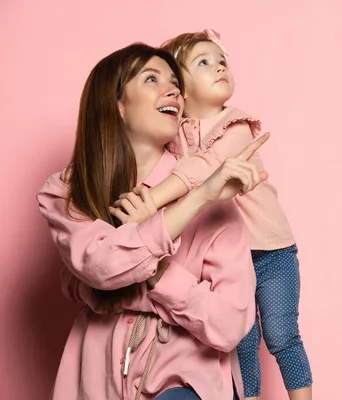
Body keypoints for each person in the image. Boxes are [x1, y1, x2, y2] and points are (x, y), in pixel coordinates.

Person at [37, 42, 269, 400]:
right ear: (117, 105)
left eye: (175, 81)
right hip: (94, 384)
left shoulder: (218, 203)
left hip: (188, 385)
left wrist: (151, 275)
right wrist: (196, 199)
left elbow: (230, 324)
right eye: (151, 78)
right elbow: (100, 265)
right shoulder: (67, 191)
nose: (172, 89)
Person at [126, 29, 313, 400]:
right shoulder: (174, 133)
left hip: (270, 250)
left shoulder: (237, 125)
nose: (219, 68)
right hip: (227, 258)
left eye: (222, 61)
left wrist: (154, 199)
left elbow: (204, 168)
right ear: (180, 86)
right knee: (239, 341)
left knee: (280, 333)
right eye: (204, 62)